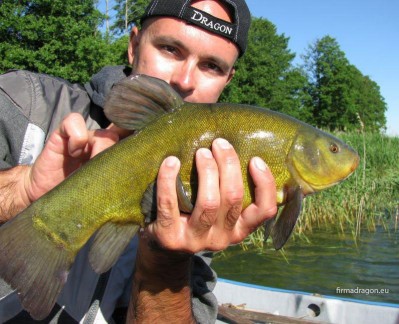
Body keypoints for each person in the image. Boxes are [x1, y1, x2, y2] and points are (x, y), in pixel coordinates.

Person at [0, 0, 277, 322]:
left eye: (211, 66)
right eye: (170, 49)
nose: (185, 79)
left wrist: (166, 260)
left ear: (228, 79)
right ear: (133, 45)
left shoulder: (208, 180)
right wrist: (20, 191)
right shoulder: (25, 100)